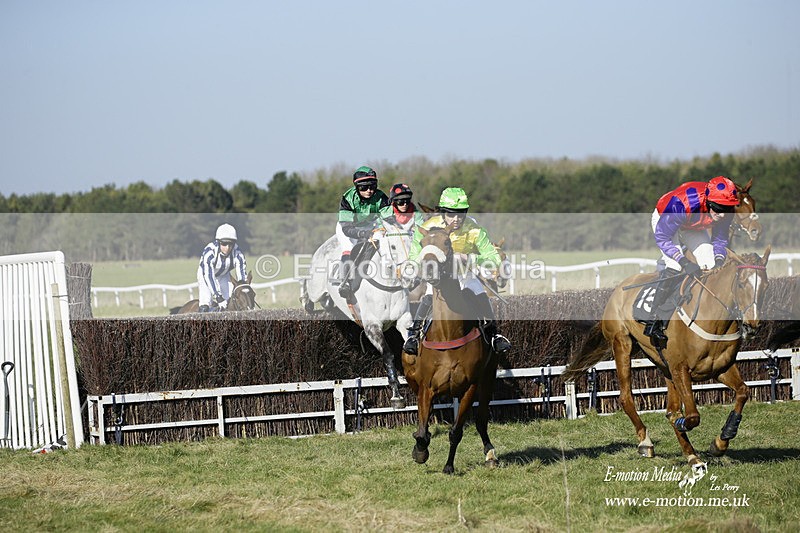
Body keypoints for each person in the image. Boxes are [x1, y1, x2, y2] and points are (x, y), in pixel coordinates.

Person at [402, 187, 511, 355]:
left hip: (464, 274)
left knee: (479, 292)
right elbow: (414, 255)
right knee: (428, 296)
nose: (456, 219)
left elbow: (493, 258)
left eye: (461, 214)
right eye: (451, 214)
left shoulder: (474, 230)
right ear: (443, 212)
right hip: (439, 277)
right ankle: (413, 336)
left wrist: (470, 259)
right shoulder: (427, 227)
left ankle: (494, 336)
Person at [644, 175, 740, 346]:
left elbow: (719, 239)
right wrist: (684, 261)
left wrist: (719, 259)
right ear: (709, 202)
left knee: (709, 263)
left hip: (694, 223)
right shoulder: (684, 204)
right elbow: (663, 237)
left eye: (727, 208)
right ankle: (654, 319)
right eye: (718, 208)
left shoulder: (725, 212)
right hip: (666, 218)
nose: (723, 214)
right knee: (674, 265)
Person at [336, 166, 389, 301]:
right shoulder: (348, 198)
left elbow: (388, 219)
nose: (369, 191)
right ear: (357, 187)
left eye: (372, 187)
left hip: (371, 225)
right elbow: (346, 228)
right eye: (364, 188)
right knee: (349, 248)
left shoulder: (381, 197)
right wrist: (363, 234)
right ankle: (345, 282)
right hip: (349, 226)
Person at [197, 223, 248, 312]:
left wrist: (244, 289)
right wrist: (218, 297)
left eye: (230, 244)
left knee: (231, 302)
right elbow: (209, 276)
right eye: (224, 244)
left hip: (224, 275)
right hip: (205, 275)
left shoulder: (238, 253)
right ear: (218, 242)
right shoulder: (209, 253)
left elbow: (242, 277)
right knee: (205, 306)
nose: (227, 248)